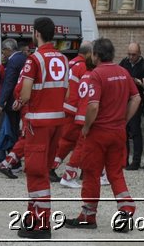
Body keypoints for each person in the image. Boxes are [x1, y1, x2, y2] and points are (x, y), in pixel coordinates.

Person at [70, 37, 139, 233]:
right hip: (118, 132)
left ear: (96, 55)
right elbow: (136, 97)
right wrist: (123, 120)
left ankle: (88, 215)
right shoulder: (123, 72)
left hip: (98, 132)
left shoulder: (97, 74)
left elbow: (93, 105)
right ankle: (126, 208)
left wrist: (86, 126)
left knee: (91, 172)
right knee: (115, 172)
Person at [15, 16, 69, 239]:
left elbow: (26, 92)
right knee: (42, 171)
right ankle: (33, 215)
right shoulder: (64, 59)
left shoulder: (34, 59)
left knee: (35, 173)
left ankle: (41, 223)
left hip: (38, 123)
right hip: (57, 121)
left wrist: (20, 101)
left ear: (36, 33)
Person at [51, 41, 93, 189]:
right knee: (79, 143)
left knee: (67, 141)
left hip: (65, 107)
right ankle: (71, 172)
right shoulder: (83, 67)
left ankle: (52, 166)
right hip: (75, 109)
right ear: (89, 54)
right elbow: (83, 92)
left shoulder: (71, 63)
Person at [0, 36, 32, 178]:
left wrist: (1, 102)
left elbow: (9, 83)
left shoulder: (13, 61)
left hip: (13, 103)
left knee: (12, 132)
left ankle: (13, 164)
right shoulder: (24, 58)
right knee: (21, 132)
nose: (3, 54)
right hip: (24, 102)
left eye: (3, 51)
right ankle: (17, 162)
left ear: (8, 49)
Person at [121, 42, 144, 170]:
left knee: (135, 131)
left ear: (139, 54)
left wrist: (138, 82)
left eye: (133, 55)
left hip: (136, 101)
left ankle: (136, 161)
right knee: (124, 132)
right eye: (129, 54)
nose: (131, 57)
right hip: (124, 101)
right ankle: (124, 159)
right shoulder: (124, 63)